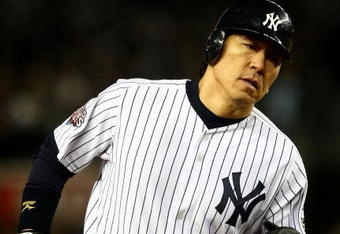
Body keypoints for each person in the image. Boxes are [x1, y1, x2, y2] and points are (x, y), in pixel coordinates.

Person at [18, 0, 308, 233]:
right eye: (250, 46)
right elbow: (54, 157)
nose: (259, 64)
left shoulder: (283, 160)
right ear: (216, 45)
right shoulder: (130, 99)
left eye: (274, 58)